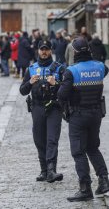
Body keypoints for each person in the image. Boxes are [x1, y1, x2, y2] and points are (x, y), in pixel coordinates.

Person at [57, 37, 109, 202]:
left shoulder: (72, 71)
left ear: (75, 52)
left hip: (78, 115)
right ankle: (104, 180)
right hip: (96, 114)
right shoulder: (100, 67)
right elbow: (105, 70)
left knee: (78, 151)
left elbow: (62, 94)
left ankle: (85, 188)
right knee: (93, 148)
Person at [20, 40, 65, 183]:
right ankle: (44, 170)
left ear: (51, 51)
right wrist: (30, 82)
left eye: (46, 49)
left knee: (52, 139)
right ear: (38, 51)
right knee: (39, 139)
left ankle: (52, 170)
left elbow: (67, 90)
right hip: (37, 107)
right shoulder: (31, 69)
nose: (44, 52)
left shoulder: (59, 68)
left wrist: (56, 84)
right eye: (42, 49)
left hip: (54, 107)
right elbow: (22, 91)